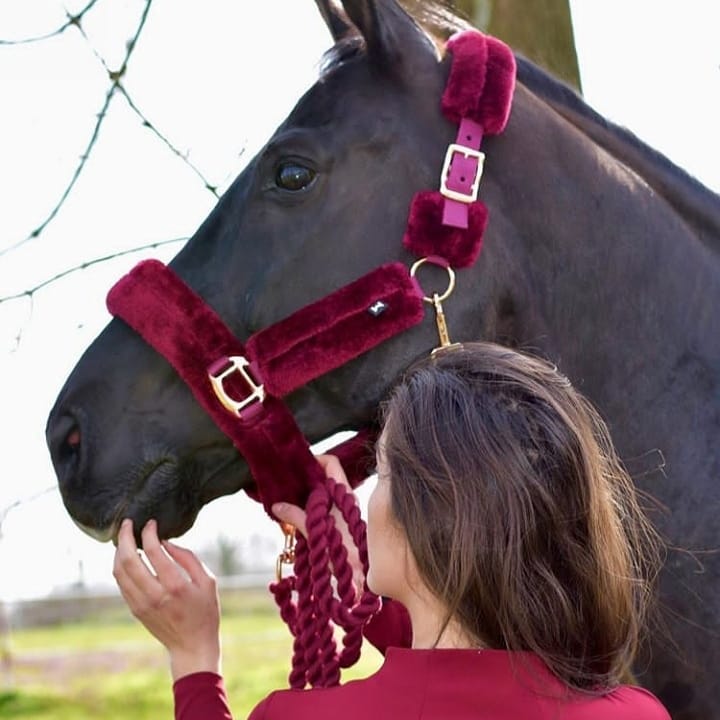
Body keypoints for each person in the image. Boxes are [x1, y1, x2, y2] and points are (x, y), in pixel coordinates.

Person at [113, 342, 670, 719]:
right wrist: (364, 593)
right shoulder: (635, 713)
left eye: (380, 471)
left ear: (419, 515)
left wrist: (193, 658)